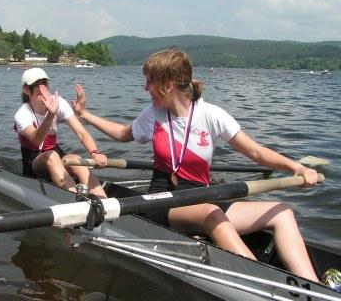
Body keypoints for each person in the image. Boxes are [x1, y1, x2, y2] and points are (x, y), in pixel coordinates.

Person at [71, 49, 320, 282]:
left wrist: (296, 167)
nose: (146, 88)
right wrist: (84, 114)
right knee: (211, 214)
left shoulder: (211, 115)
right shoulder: (153, 115)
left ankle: (313, 288)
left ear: (167, 86)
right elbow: (124, 133)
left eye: (149, 82)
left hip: (203, 195)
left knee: (283, 212)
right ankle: (266, 286)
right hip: (163, 199)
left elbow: (256, 152)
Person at [14, 67, 107, 197]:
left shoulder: (59, 102)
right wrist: (51, 115)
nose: (42, 89)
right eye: (36, 85)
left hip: (55, 153)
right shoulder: (22, 114)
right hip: (33, 160)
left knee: (76, 160)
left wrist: (95, 153)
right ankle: (75, 201)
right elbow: (36, 139)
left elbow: (81, 132)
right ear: (26, 90)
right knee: (52, 156)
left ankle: (105, 203)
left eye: (44, 83)